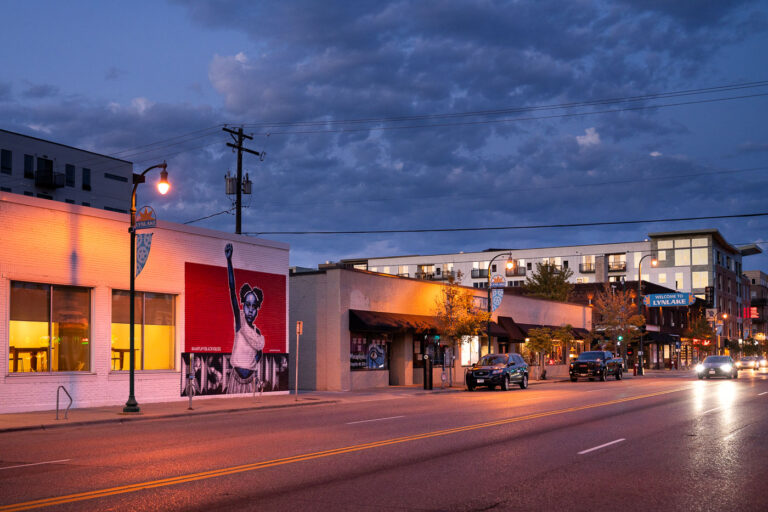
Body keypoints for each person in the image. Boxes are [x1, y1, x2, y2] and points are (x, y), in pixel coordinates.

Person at [225, 243, 265, 393]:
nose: (250, 310)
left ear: (257, 309)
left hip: (250, 382)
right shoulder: (239, 322)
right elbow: (232, 290)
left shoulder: (257, 333)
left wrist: (251, 363)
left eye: (254, 306)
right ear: (243, 305)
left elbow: (260, 352)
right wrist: (229, 261)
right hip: (235, 380)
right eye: (248, 305)